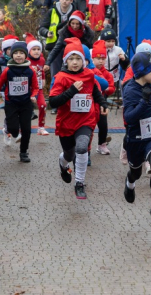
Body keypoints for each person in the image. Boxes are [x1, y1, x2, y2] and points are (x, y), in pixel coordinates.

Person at [49, 38, 109, 199]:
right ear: (65, 61)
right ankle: (63, 165)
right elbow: (53, 102)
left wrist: (103, 103)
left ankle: (79, 183)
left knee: (82, 148)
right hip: (67, 123)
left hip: (85, 120)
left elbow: (96, 92)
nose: (75, 62)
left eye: (78, 59)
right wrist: (71, 91)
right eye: (71, 59)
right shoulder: (61, 77)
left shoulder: (89, 75)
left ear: (83, 61)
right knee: (69, 154)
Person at [122, 52, 151, 226]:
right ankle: (130, 183)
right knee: (136, 173)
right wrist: (144, 100)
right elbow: (129, 117)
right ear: (142, 72)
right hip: (135, 139)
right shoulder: (130, 90)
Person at [0, 41, 39, 162]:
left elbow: (35, 87)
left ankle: (23, 153)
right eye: (16, 53)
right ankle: (7, 130)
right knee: (13, 129)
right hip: (11, 103)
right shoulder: (8, 70)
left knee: (26, 130)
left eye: (21, 53)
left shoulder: (30, 71)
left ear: (26, 55)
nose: (18, 55)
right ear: (12, 55)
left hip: (25, 104)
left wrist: (33, 95)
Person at [38, 0, 76, 79]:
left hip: (70, 48)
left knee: (70, 75)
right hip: (54, 47)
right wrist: (46, 33)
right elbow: (42, 28)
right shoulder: (52, 11)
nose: (64, 1)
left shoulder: (75, 12)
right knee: (56, 75)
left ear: (71, 1)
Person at [91, 40, 115, 155]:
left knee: (103, 125)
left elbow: (112, 88)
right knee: (88, 126)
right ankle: (86, 146)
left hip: (102, 103)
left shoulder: (107, 74)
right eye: (98, 58)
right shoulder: (88, 71)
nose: (101, 61)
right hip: (90, 103)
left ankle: (102, 144)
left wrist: (105, 89)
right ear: (92, 59)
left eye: (103, 59)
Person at [25, 34, 49, 135]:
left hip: (38, 87)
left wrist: (43, 79)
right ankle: (23, 127)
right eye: (33, 49)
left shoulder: (42, 60)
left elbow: (42, 70)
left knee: (43, 105)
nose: (36, 51)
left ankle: (41, 127)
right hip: (27, 88)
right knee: (25, 109)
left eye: (38, 49)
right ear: (29, 51)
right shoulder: (26, 61)